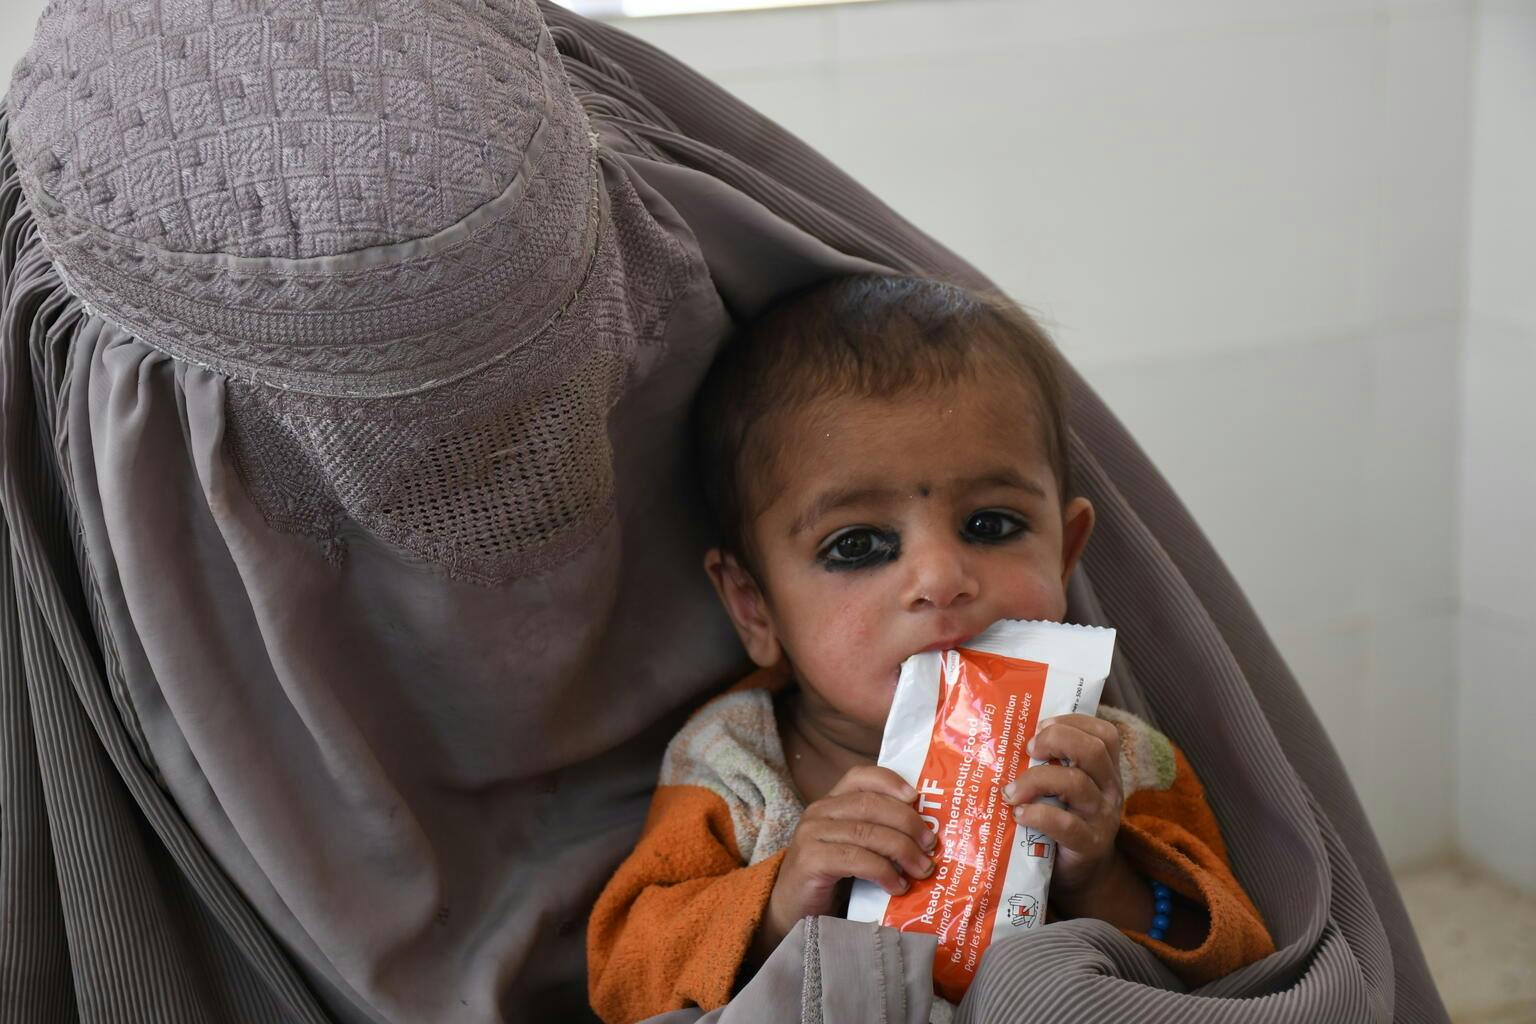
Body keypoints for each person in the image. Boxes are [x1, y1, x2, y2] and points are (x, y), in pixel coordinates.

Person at [587, 275, 1275, 1022]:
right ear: (755, 607)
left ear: (1065, 555)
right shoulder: (733, 765)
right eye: (857, 545)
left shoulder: (1109, 760)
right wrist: (780, 903)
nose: (941, 580)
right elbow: (625, 976)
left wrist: (1101, 874)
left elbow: (1233, 960)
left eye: (992, 525)